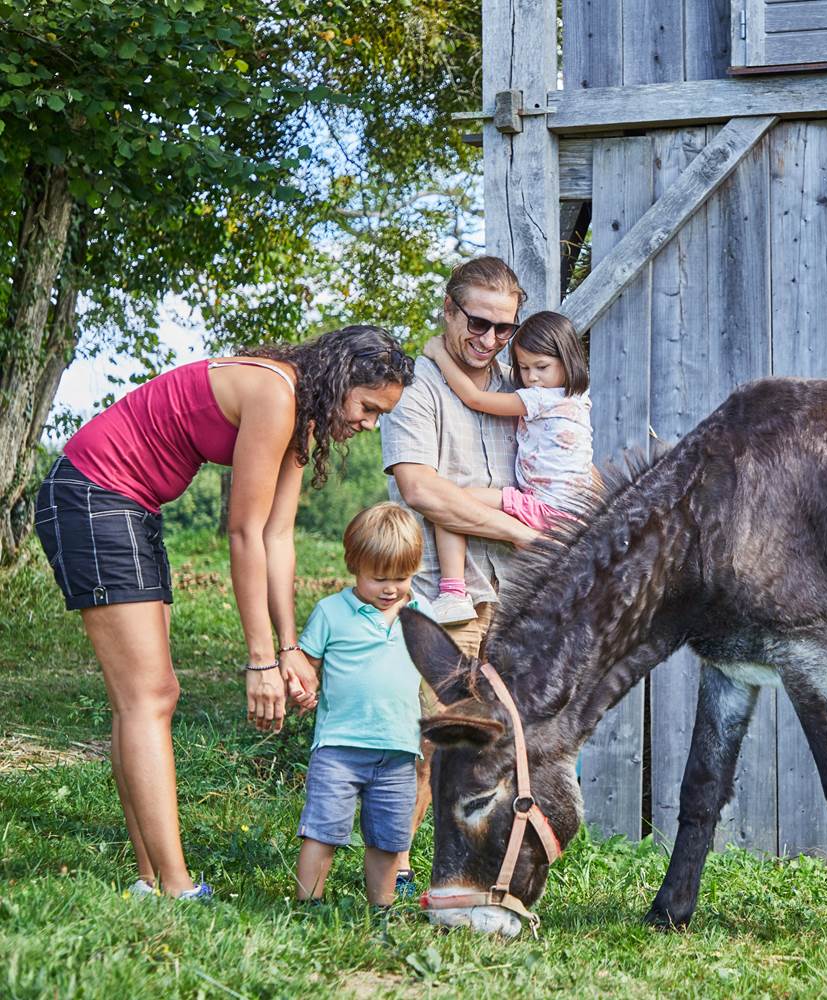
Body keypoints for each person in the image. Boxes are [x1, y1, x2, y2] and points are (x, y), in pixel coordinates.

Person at [33, 325, 414, 899]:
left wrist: (289, 650)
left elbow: (277, 537)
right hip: (95, 496)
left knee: (141, 698)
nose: (368, 423)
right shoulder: (275, 394)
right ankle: (176, 885)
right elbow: (243, 533)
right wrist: (258, 661)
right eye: (367, 407)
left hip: (131, 508)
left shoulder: (300, 416)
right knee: (149, 696)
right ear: (340, 380)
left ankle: (151, 878)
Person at [381, 256, 535, 893]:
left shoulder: (522, 382)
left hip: (522, 599)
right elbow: (422, 489)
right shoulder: (416, 387)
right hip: (451, 606)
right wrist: (525, 531)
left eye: (505, 328)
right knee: (430, 751)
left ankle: (494, 869)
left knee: (513, 751)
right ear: (448, 310)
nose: (491, 340)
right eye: (478, 322)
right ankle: (393, 876)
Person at [420, 310, 594, 624]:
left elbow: (474, 398)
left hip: (543, 509)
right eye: (524, 368)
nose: (532, 378)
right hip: (571, 516)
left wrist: (438, 354)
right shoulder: (579, 400)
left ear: (568, 362)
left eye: (542, 367)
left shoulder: (542, 399)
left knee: (450, 502)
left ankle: (453, 593)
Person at [293, 503, 426, 908]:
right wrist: (302, 688)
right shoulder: (331, 613)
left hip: (399, 750)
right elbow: (308, 665)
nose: (390, 589)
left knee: (388, 840)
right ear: (354, 566)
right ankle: (308, 906)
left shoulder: (421, 613)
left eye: (401, 578)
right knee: (324, 831)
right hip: (339, 747)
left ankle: (380, 909)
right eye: (378, 578)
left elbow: (440, 669)